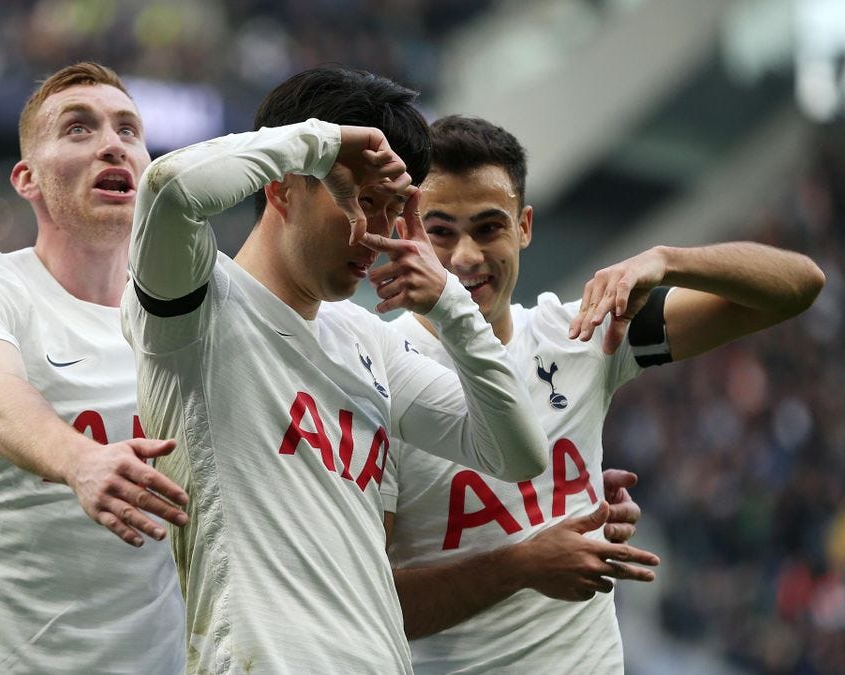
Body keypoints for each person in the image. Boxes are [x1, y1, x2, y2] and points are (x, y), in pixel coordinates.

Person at [121, 67, 550, 673]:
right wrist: (322, 143)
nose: (374, 232)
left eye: (392, 208)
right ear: (281, 187)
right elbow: (168, 187)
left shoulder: (367, 341)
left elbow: (518, 454)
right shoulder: (197, 303)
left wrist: (452, 307)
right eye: (358, 199)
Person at [381, 115, 827, 673]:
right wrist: (520, 565)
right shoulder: (374, 374)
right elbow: (368, 607)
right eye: (441, 230)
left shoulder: (582, 334)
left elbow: (797, 287)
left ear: (524, 226)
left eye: (489, 227)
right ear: (406, 231)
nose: (466, 255)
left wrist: (667, 259)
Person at [0, 62, 188, 674]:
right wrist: (79, 460)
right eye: (78, 129)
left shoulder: (191, 320)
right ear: (26, 178)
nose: (112, 143)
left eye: (128, 129)